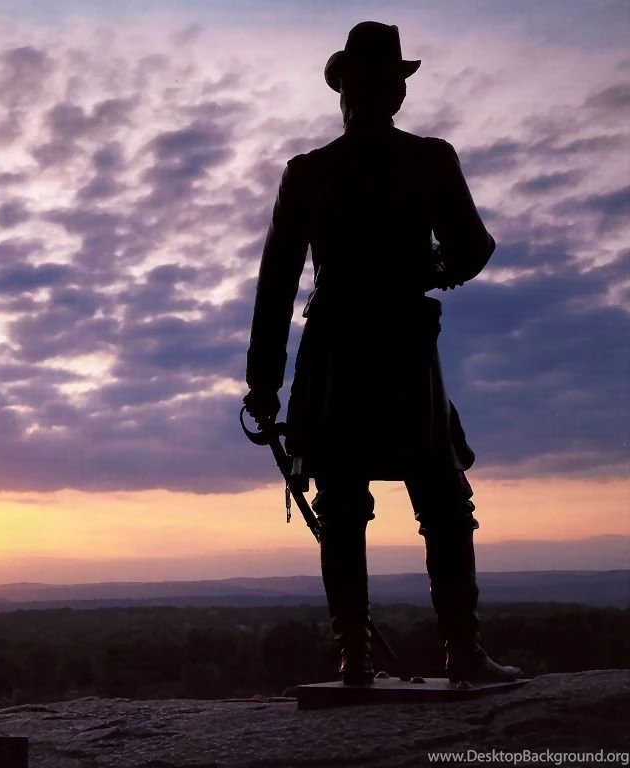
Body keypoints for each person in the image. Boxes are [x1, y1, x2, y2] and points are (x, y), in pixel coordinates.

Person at [243, 21, 521, 686]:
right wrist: (431, 269)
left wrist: (264, 383)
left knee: (351, 504)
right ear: (395, 93)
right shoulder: (428, 159)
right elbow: (474, 248)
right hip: (400, 346)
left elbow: (277, 283)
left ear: (348, 93)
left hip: (337, 355)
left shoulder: (310, 173)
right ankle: (459, 652)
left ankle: (357, 660)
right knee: (443, 502)